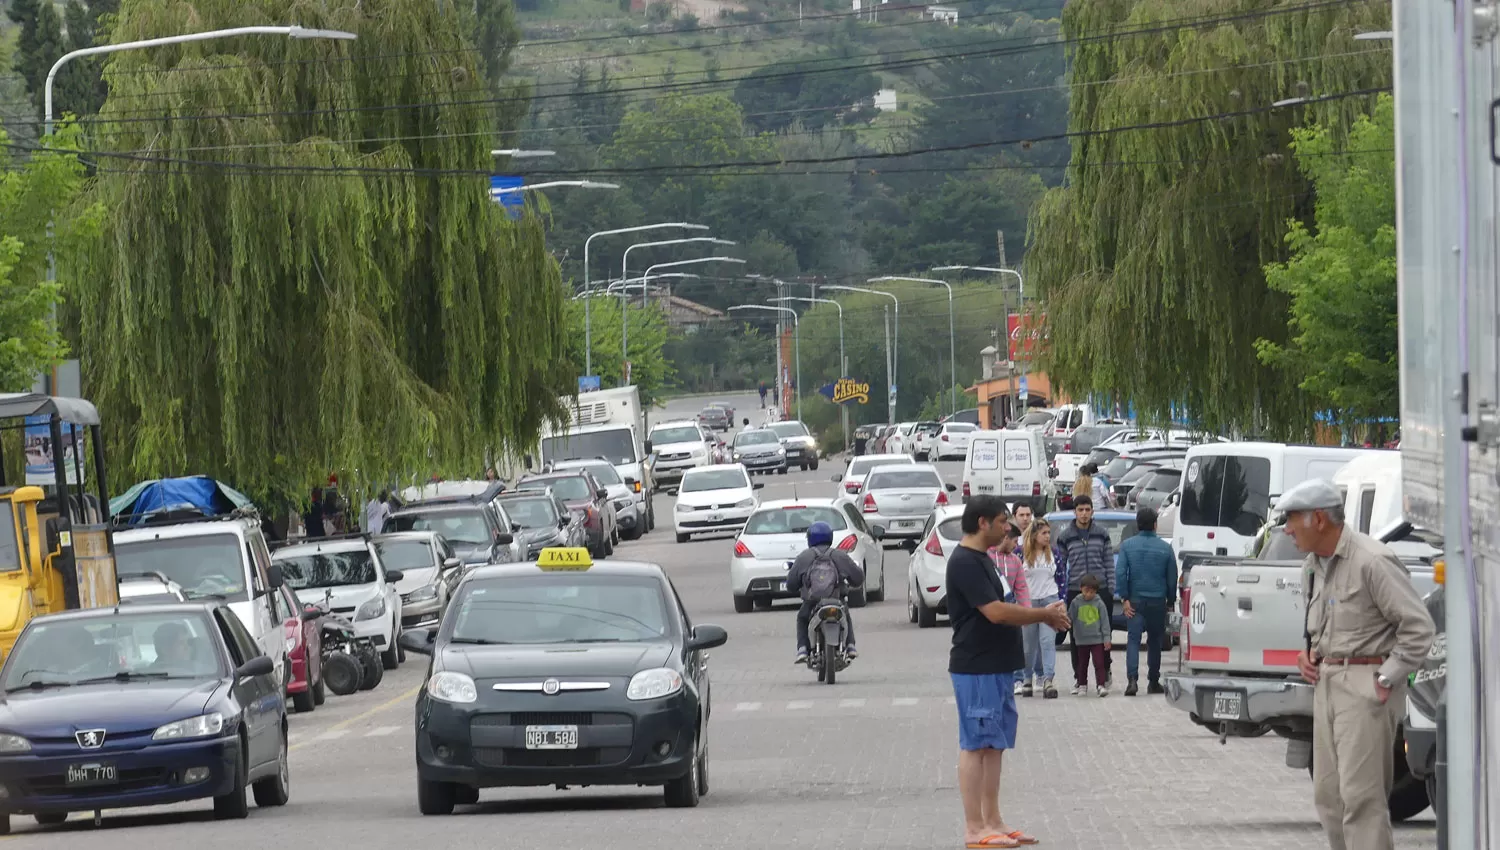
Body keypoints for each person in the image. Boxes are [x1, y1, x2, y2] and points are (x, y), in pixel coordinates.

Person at [1283, 479, 1435, 850]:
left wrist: (1386, 678)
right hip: (1327, 686)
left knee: (1362, 801)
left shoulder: (1372, 560)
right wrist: (1309, 655)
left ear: (1318, 519)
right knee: (1329, 798)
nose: (1286, 530)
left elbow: (1419, 628)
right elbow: (1318, 628)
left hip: (1365, 687)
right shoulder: (1312, 566)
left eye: (1292, 519)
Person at [946, 495, 1069, 848]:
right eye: (1002, 521)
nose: (1008, 528)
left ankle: (993, 820)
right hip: (977, 667)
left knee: (995, 745)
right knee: (976, 744)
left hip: (999, 666)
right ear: (982, 523)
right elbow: (996, 612)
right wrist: (1043, 615)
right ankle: (974, 828)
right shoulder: (965, 561)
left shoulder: (987, 559)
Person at [1116, 506, 1178, 696]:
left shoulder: (1127, 545)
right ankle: (1153, 681)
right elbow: (1172, 578)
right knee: (1154, 641)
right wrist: (1170, 600)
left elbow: (1120, 573)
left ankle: (1132, 681)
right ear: (1155, 525)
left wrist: (1124, 598)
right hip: (1157, 601)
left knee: (1133, 640)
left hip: (1134, 601)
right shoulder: (1165, 548)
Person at [1055, 495, 1115, 686]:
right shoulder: (1065, 536)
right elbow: (1061, 567)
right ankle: (1079, 677)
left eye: (1087, 510)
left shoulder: (1102, 533)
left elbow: (1108, 562)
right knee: (1076, 635)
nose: (1084, 514)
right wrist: (1062, 593)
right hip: (1076, 591)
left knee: (1104, 632)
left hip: (1101, 590)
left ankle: (1105, 670)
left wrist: (1110, 588)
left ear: (1092, 511)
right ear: (1074, 512)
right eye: (1080, 510)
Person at [787, 520, 865, 664]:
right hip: (836, 601)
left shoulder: (803, 557)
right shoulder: (839, 556)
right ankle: (850, 646)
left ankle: (803, 649)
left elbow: (790, 584)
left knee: (802, 618)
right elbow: (858, 578)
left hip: (812, 602)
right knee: (846, 616)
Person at [1018, 520, 1064, 699]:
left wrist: (1062, 601)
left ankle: (1048, 680)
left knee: (1047, 641)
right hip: (1028, 602)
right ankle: (1027, 678)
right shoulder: (1020, 554)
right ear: (1034, 535)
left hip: (1050, 600)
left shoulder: (1054, 554)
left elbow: (1061, 579)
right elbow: (1015, 579)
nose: (1047, 536)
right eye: (1044, 533)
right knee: (1029, 644)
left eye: (1048, 533)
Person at [987, 523, 1030, 696]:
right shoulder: (987, 557)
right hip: (992, 609)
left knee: (1015, 643)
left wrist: (1026, 612)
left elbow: (1021, 588)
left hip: (1011, 609)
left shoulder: (1015, 560)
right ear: (1005, 538)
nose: (1016, 546)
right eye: (1014, 541)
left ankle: (1018, 679)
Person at [1068, 574, 1111, 695]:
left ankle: (1101, 685)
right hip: (1081, 640)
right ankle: (1082, 684)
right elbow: (1070, 617)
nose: (1089, 594)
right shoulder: (1076, 603)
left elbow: (1105, 622)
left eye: (1092, 592)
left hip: (1097, 639)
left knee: (1099, 663)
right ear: (1081, 588)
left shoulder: (1099, 603)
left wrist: (1107, 638)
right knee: (1082, 663)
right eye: (1086, 591)